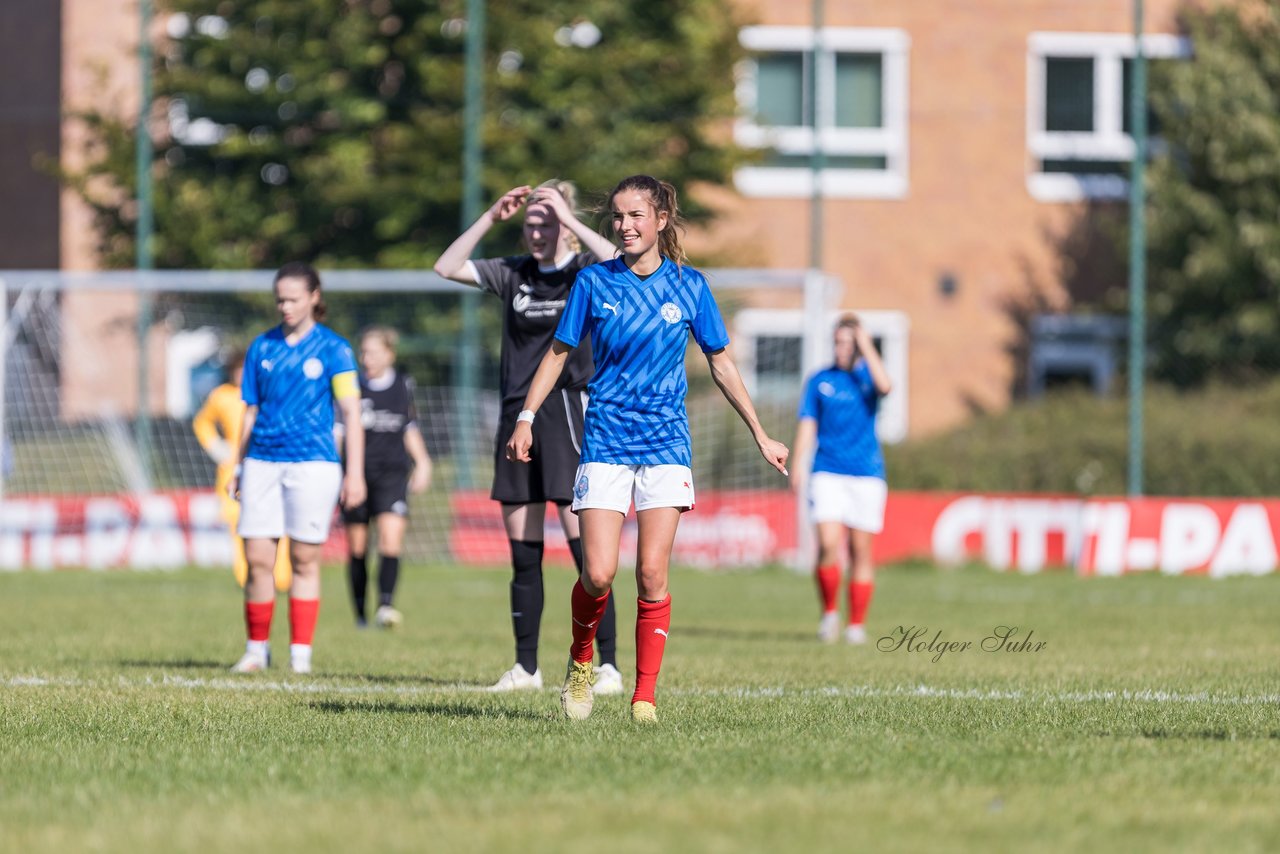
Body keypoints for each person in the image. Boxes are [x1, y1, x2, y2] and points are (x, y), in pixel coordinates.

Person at [507, 174, 790, 724]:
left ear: (661, 220)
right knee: (598, 573)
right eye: (617, 216)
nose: (624, 225)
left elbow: (722, 362)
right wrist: (525, 417)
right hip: (606, 441)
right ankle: (581, 661)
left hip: (666, 445)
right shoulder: (593, 283)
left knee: (653, 574)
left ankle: (644, 698)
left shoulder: (690, 286)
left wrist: (760, 431)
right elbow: (558, 355)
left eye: (636, 215)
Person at [435, 180, 625, 694]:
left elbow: (622, 261)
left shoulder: (586, 268)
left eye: (547, 223)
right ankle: (526, 668)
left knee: (589, 555)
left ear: (563, 223)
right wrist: (490, 219)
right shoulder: (515, 272)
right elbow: (445, 266)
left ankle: (607, 664)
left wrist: (570, 216)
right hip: (516, 416)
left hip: (566, 413)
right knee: (523, 552)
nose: (537, 233)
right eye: (531, 225)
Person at [228, 262, 366, 674]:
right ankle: (256, 650)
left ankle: (299, 656)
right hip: (262, 462)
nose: (284, 306)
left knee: (305, 559)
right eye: (279, 299)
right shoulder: (261, 347)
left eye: (292, 298)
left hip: (314, 463)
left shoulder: (335, 349)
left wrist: (354, 472)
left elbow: (352, 414)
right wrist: (239, 464)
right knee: (257, 558)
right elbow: (249, 411)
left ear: (314, 297)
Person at [792, 314, 893, 645]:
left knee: (861, 550)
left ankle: (856, 625)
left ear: (860, 345)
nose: (840, 348)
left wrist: (866, 343)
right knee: (829, 544)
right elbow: (808, 423)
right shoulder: (819, 380)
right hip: (827, 472)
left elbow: (886, 386)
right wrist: (798, 462)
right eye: (837, 341)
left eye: (848, 342)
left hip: (867, 475)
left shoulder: (868, 378)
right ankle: (830, 614)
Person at [341, 326, 432, 629]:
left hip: (392, 475)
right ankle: (359, 615)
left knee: (391, 540)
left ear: (389, 354)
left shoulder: (403, 386)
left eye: (374, 352)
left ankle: (385, 606)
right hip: (357, 476)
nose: (367, 358)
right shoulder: (351, 387)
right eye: (363, 352)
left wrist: (422, 463)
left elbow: (409, 428)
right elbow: (339, 434)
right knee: (357, 547)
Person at [192, 348, 293, 591]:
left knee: (278, 523)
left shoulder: (269, 394)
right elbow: (202, 422)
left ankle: (281, 577)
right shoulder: (222, 396)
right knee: (239, 525)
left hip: (268, 463)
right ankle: (246, 577)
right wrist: (217, 447)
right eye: (238, 370)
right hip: (233, 470)